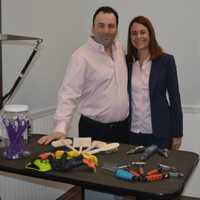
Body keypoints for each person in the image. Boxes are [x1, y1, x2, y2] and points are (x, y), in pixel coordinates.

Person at [38, 6, 129, 145]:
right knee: (93, 167)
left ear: (116, 29)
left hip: (123, 130)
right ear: (93, 28)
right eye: (101, 25)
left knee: (122, 167)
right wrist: (60, 129)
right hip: (94, 131)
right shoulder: (81, 56)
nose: (106, 30)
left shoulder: (120, 49)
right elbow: (68, 94)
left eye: (111, 26)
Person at [126, 16, 183, 150]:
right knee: (133, 170)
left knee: (158, 170)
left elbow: (175, 98)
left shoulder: (166, 61)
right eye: (134, 33)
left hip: (159, 134)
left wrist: (177, 133)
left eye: (143, 32)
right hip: (132, 133)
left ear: (150, 34)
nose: (138, 36)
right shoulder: (126, 62)